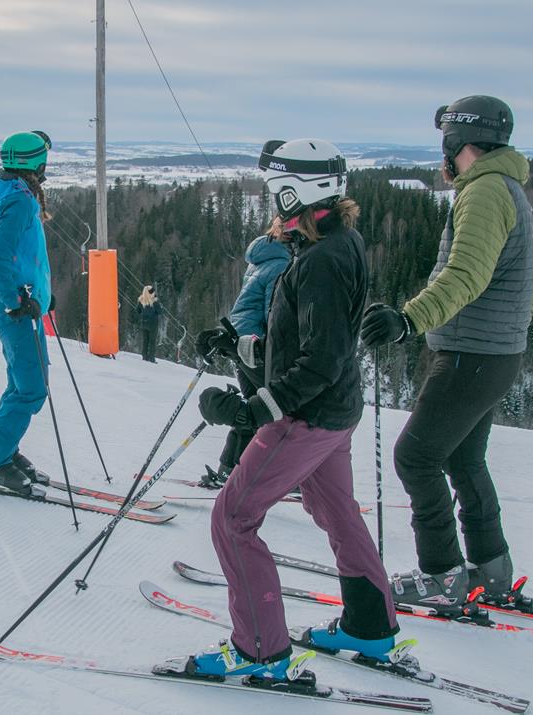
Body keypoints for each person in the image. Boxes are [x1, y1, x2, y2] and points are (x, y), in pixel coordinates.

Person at [177, 139, 399, 683]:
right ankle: (370, 625)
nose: (271, 201)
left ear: (297, 190)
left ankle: (259, 651)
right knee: (336, 511)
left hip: (305, 417)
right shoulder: (335, 242)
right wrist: (235, 337)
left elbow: (318, 359)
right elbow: (308, 330)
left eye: (276, 189)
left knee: (232, 518)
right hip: (334, 412)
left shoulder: (321, 259)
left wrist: (252, 410)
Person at [360, 95, 533, 616]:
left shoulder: (485, 191)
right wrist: (508, 331)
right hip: (494, 353)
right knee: (464, 458)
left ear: (457, 143)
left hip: (472, 354)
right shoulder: (508, 188)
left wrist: (407, 320)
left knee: (415, 456)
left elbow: (465, 274)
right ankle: (491, 570)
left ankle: (441, 575)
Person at [0, 130, 55, 496]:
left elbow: (21, 256)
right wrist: (15, 301)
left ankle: (4, 449)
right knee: (32, 389)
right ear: (36, 163)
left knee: (22, 384)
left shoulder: (12, 193)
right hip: (16, 309)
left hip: (23, 305)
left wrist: (43, 295)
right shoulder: (18, 200)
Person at [195, 233, 291, 486]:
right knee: (276, 412)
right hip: (257, 349)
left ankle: (230, 469)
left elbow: (246, 309)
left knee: (252, 409)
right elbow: (274, 313)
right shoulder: (283, 264)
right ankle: (294, 478)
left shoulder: (259, 260)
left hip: (240, 345)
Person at [134, 285, 161, 363]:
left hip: (144, 323)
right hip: (153, 324)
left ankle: (144, 356)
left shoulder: (141, 301)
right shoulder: (154, 302)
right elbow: (160, 312)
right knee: (152, 341)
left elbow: (138, 311)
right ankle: (151, 358)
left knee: (145, 340)